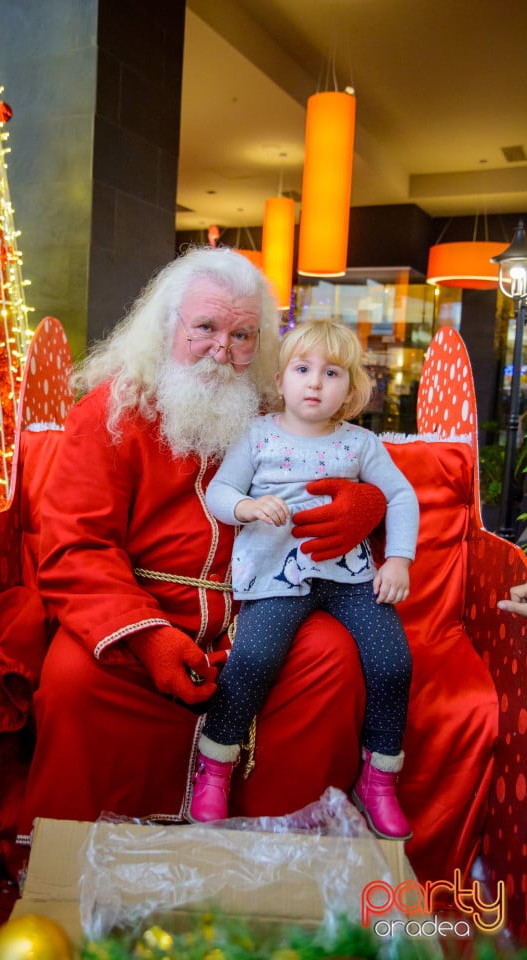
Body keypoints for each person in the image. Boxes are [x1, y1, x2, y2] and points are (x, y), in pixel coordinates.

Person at [16, 246, 388, 856]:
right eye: (207, 328)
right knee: (72, 680)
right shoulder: (109, 413)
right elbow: (76, 545)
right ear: (169, 328)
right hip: (138, 613)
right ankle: (78, 867)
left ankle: (282, 861)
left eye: (243, 335)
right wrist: (148, 636)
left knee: (334, 659)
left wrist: (365, 502)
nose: (223, 350)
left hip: (266, 611)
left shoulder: (280, 413)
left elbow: (351, 464)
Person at [190, 319, 419, 840]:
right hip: (275, 570)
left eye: (331, 372)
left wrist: (399, 559)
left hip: (350, 575)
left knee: (393, 661)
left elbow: (401, 497)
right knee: (254, 657)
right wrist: (246, 506)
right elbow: (220, 490)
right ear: (281, 378)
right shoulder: (259, 434)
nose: (315, 382)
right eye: (303, 369)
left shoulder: (360, 444)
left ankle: (379, 779)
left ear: (351, 388)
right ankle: (216, 764)